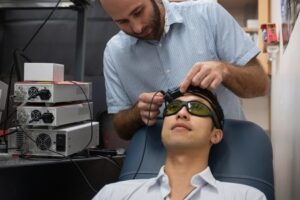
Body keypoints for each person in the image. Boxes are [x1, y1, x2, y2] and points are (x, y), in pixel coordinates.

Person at [99, 0, 270, 139]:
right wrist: (137, 114)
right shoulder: (114, 53)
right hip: (164, 159)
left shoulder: (208, 14)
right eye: (122, 22)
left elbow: (261, 85)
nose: (137, 27)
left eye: (138, 12)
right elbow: (121, 127)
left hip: (229, 146)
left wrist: (225, 71)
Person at [92, 87, 267, 200]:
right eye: (173, 108)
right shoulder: (113, 194)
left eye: (197, 108)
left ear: (215, 135)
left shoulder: (246, 197)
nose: (181, 113)